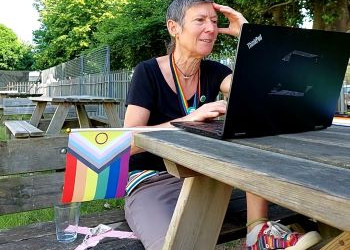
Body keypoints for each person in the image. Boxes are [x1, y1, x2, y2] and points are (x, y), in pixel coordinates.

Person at [123, 0, 322, 249]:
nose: (211, 28)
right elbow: (127, 142)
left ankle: (257, 232)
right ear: (174, 27)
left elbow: (269, 92)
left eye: (215, 22)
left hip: (208, 178)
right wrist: (187, 120)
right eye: (200, 20)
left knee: (252, 124)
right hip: (154, 182)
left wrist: (251, 37)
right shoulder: (148, 72)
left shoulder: (214, 71)